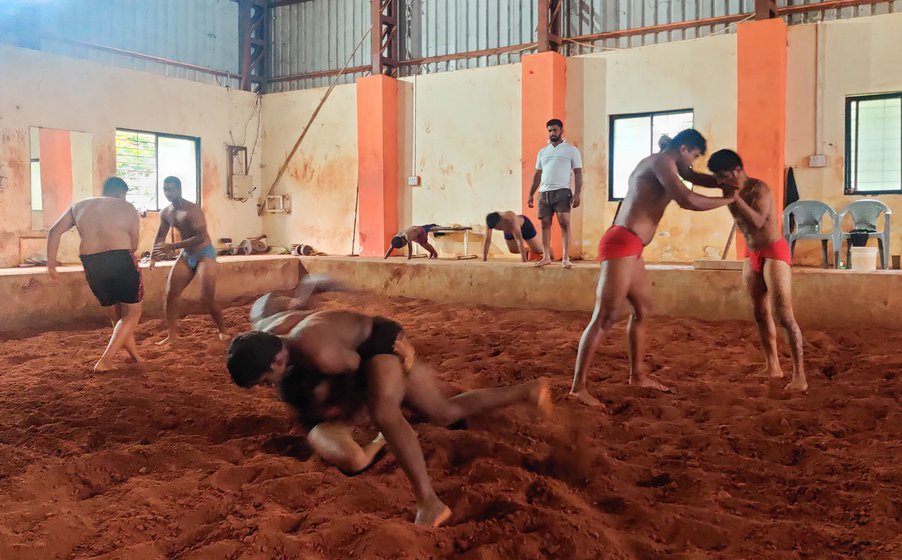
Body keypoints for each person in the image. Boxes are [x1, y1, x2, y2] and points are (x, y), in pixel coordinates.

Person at [227, 276, 552, 527]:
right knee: (443, 411)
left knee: (387, 412)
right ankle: (527, 390)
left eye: (261, 382)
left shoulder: (319, 353)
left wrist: (396, 374)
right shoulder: (265, 332)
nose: (262, 389)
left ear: (276, 362)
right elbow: (291, 293)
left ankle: (429, 503)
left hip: (378, 344)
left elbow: (356, 369)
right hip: (349, 346)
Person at [569, 129, 737, 405]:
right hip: (620, 243)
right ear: (683, 149)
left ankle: (637, 375)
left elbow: (694, 178)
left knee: (643, 310)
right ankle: (578, 388)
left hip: (633, 247)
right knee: (606, 316)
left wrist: (726, 182)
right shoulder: (661, 163)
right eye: (693, 156)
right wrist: (728, 199)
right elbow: (688, 200)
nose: (692, 163)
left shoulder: (670, 164)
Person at [707, 149, 807, 391]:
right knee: (760, 313)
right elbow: (692, 177)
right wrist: (671, 152)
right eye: (717, 178)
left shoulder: (758, 190)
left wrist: (734, 198)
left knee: (784, 315)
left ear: (736, 171)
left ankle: (799, 376)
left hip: (773, 251)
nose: (719, 182)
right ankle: (773, 366)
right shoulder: (726, 185)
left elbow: (757, 222)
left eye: (722, 176)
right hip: (751, 253)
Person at [46, 176, 144, 372]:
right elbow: (134, 243)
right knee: (132, 314)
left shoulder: (78, 206)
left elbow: (54, 232)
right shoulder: (127, 207)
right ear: (122, 193)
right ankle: (105, 360)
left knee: (116, 316)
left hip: (92, 263)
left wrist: (51, 265)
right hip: (120, 258)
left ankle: (135, 356)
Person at [151, 176, 228, 344]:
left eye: (170, 189)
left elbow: (200, 237)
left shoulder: (193, 210)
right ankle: (171, 336)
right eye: (164, 189)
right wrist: (152, 256)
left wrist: (172, 246)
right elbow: (160, 235)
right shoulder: (166, 212)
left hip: (204, 253)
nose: (167, 193)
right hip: (186, 255)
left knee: (207, 297)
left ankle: (222, 329)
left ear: (179, 189)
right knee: (171, 294)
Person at [528, 118, 583, 269]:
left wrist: (577, 194)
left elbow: (578, 173)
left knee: (564, 223)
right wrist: (531, 193)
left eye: (555, 130)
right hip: (544, 192)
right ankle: (546, 257)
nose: (552, 133)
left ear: (561, 131)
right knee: (545, 224)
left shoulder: (571, 150)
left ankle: (565, 258)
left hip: (562, 191)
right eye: (550, 130)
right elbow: (537, 174)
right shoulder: (543, 152)